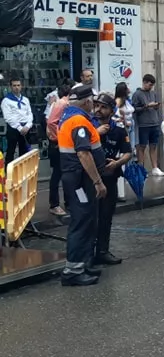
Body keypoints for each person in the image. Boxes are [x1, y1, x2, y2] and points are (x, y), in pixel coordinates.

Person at [57, 85, 107, 286]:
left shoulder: (69, 116)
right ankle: (72, 271)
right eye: (93, 102)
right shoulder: (78, 121)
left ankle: (82, 263)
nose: (93, 105)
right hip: (79, 179)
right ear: (87, 101)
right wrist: (98, 181)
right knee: (81, 220)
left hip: (77, 177)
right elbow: (84, 153)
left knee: (87, 219)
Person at [92, 92, 132, 267]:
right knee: (90, 217)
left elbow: (128, 153)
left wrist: (117, 163)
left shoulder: (119, 130)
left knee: (106, 216)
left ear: (111, 110)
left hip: (110, 177)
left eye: (103, 107)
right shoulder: (88, 127)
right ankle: (88, 253)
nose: (98, 110)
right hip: (91, 179)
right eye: (96, 106)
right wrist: (95, 133)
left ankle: (103, 251)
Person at [45, 80, 73, 217]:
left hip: (60, 143)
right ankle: (54, 204)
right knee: (58, 174)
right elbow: (51, 122)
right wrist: (61, 136)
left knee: (65, 173)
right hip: (58, 144)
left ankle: (67, 203)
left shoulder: (61, 103)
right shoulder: (63, 103)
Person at [132, 74, 163, 176]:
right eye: (149, 85)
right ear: (144, 82)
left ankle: (155, 167)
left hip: (154, 123)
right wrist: (146, 106)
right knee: (142, 147)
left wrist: (156, 106)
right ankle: (141, 169)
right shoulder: (137, 94)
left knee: (153, 146)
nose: (151, 87)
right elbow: (134, 109)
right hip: (143, 124)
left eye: (152, 85)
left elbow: (156, 107)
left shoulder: (153, 93)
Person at [2, 75, 33, 163]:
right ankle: (8, 171)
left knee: (24, 153)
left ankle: (23, 171)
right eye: (14, 85)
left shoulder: (25, 100)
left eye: (18, 85)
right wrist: (19, 128)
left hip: (26, 128)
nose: (16, 87)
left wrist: (27, 126)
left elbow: (30, 114)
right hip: (13, 129)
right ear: (11, 87)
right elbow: (8, 117)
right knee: (10, 152)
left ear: (21, 86)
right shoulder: (6, 101)